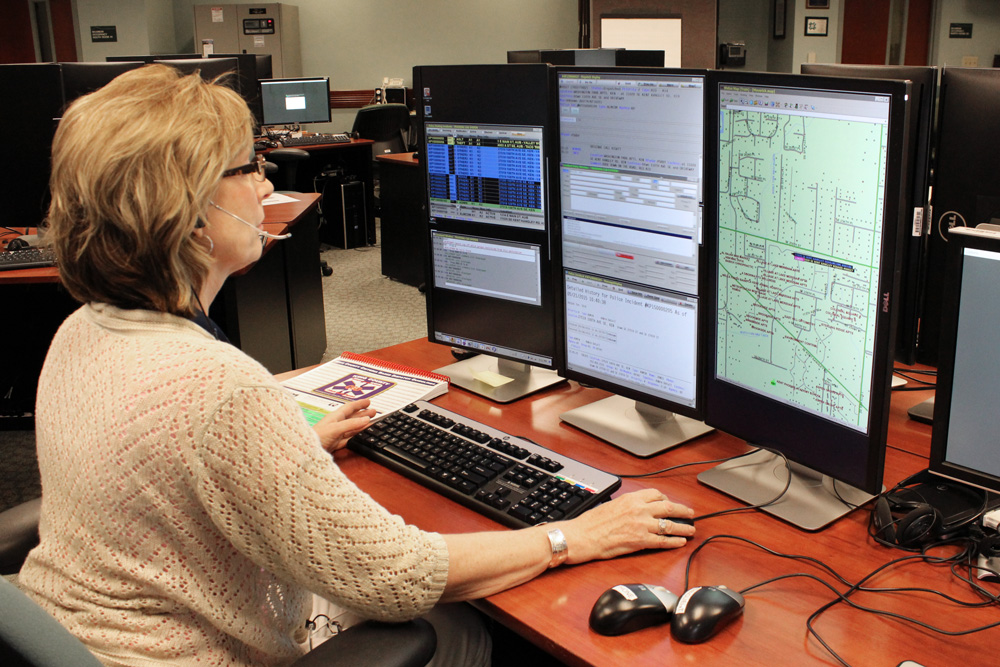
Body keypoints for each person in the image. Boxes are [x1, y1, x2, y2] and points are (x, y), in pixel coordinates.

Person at [18, 65, 696, 667]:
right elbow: (397, 574)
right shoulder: (218, 389)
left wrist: (280, 453)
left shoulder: (81, 330)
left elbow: (166, 467)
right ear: (192, 214)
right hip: (192, 651)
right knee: (471, 627)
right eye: (246, 167)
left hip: (66, 632)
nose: (264, 181)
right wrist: (569, 535)